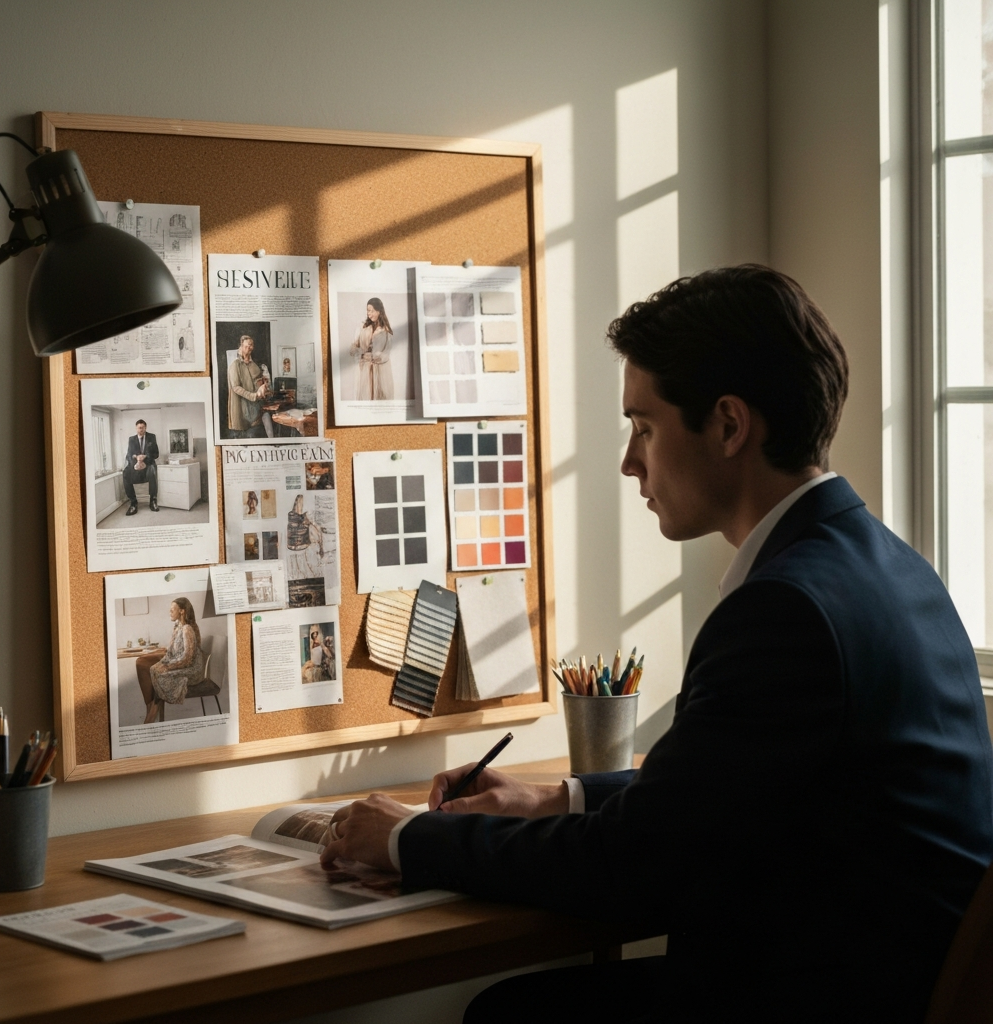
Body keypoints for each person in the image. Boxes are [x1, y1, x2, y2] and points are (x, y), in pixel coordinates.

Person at [322, 265, 993, 1023]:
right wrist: (554, 797)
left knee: (515, 1014)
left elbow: (633, 868)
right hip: (883, 975)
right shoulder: (888, 565)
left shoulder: (784, 609)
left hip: (817, 995)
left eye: (644, 427)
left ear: (730, 425)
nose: (629, 461)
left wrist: (410, 840)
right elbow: (720, 792)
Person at [135, 597, 204, 724]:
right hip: (183, 663)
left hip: (193, 669)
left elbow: (188, 659)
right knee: (154, 669)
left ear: (182, 611)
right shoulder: (178, 627)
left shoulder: (187, 629)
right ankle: (151, 711)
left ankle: (151, 715)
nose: (170, 612)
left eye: (172, 610)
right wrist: (164, 653)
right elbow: (174, 650)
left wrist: (168, 667)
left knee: (161, 674)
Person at [349, 298, 394, 400]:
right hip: (364, 370)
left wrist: (375, 356)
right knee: (365, 397)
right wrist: (361, 353)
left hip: (380, 373)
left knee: (380, 399)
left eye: (372, 311)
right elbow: (353, 348)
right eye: (368, 310)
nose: (369, 314)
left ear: (379, 311)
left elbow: (386, 354)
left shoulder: (386, 331)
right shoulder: (363, 327)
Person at [226, 334, 269, 438]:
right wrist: (253, 396)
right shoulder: (234, 365)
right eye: (247, 346)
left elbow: (260, 379)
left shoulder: (253, 364)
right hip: (242, 409)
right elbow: (236, 388)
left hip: (255, 410)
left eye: (252, 345)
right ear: (241, 347)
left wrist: (264, 385)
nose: (250, 348)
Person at [122, 418, 159, 515]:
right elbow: (128, 455)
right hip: (136, 465)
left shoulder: (152, 437)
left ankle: (153, 501)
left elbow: (156, 454)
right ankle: (133, 503)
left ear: (145, 428)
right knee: (125, 473)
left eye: (142, 428)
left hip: (148, 464)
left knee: (152, 471)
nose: (140, 430)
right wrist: (136, 458)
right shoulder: (131, 439)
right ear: (136, 428)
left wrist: (145, 457)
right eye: (139, 428)